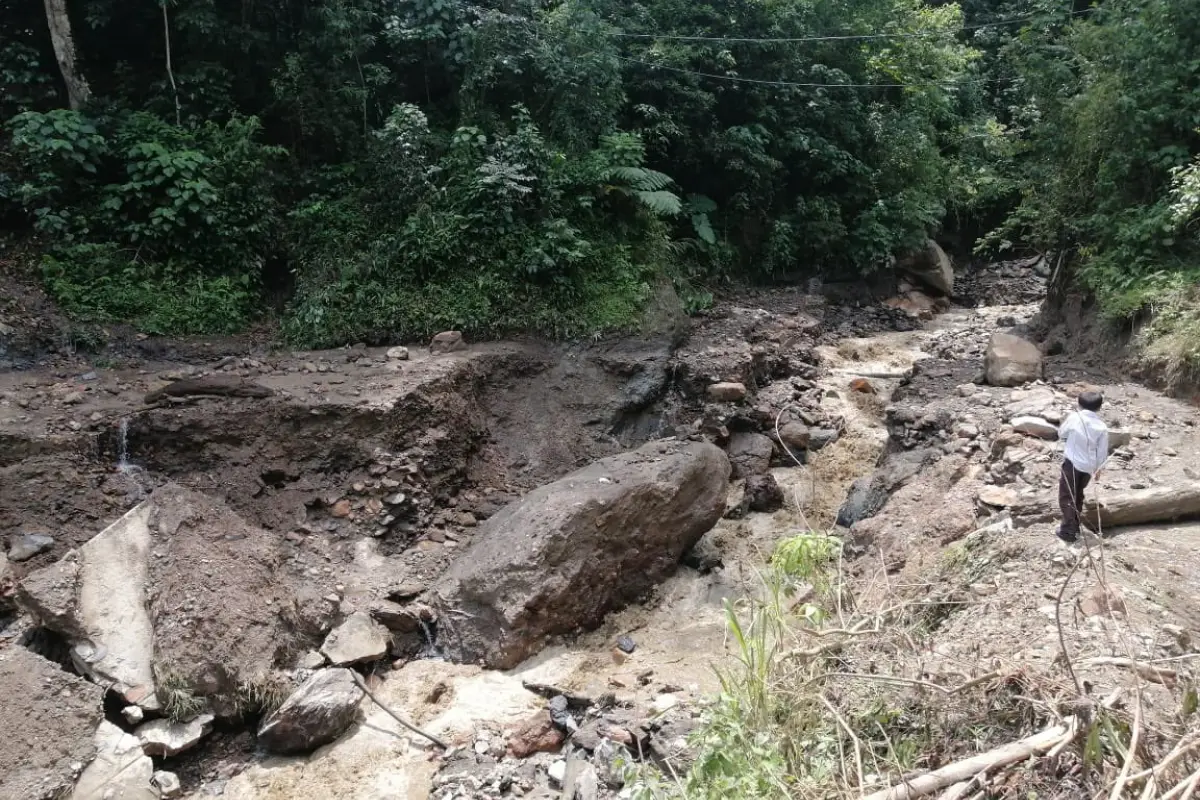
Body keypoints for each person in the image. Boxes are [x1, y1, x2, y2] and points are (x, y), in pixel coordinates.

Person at [1056, 390, 1109, 542]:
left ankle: (1068, 531)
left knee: (1067, 496)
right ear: (1099, 408)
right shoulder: (1102, 426)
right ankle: (1075, 524)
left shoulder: (1074, 418)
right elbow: (1102, 451)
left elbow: (1061, 434)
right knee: (1078, 494)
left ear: (1079, 404)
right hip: (1088, 467)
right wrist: (1099, 468)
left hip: (1071, 464)